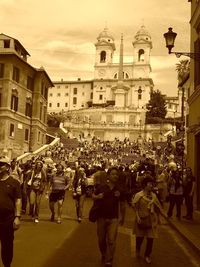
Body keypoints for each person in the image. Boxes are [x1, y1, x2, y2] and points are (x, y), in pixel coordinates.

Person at [92, 167, 125, 267]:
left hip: (113, 219)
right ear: (108, 176)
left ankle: (109, 260)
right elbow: (93, 195)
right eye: (113, 174)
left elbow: (123, 204)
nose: (115, 176)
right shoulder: (102, 187)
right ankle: (103, 253)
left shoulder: (119, 189)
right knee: (101, 240)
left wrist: (122, 217)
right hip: (101, 218)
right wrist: (97, 197)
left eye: (116, 174)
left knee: (111, 240)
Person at [132, 175, 163, 264]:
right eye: (149, 184)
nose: (151, 185)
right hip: (141, 219)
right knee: (140, 238)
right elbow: (135, 207)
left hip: (152, 220)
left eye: (152, 184)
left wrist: (160, 218)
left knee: (150, 239)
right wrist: (137, 217)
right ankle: (138, 248)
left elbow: (158, 207)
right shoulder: (139, 195)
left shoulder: (154, 196)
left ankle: (147, 255)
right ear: (145, 185)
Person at [0, 157, 21, 267]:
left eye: (1, 164)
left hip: (7, 219)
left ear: (7, 167)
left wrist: (17, 217)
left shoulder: (14, 182)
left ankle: (7, 264)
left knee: (7, 245)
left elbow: (18, 200)